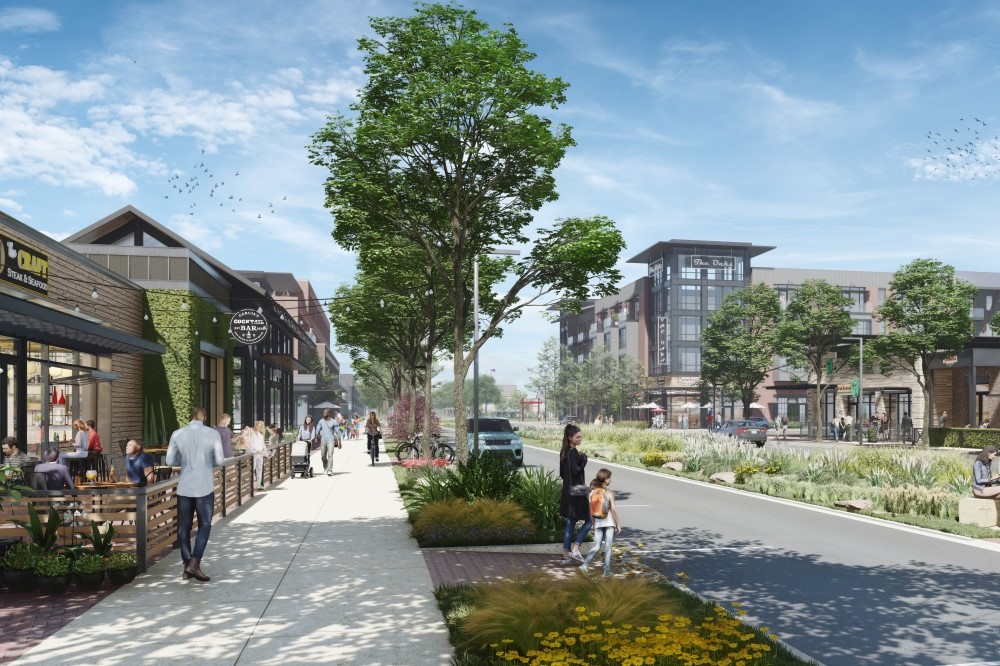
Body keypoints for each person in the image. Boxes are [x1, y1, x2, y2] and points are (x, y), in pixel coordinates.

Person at [166, 407, 224, 583]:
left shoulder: (177, 434)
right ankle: (195, 562)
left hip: (184, 486)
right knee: (205, 524)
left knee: (184, 525)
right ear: (204, 418)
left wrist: (184, 462)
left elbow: (169, 461)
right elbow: (220, 460)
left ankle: (186, 564)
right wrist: (207, 462)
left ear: (190, 417)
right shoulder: (213, 434)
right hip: (204, 486)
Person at [579, 468, 621, 577]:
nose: (611, 480)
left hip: (598, 523)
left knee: (596, 546)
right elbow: (613, 510)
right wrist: (618, 524)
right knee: (608, 547)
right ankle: (606, 571)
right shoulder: (609, 493)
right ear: (606, 479)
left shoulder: (592, 493)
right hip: (609, 523)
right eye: (610, 478)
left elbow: (591, 511)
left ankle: (585, 565)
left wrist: (593, 524)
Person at [559, 424, 591, 564]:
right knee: (589, 521)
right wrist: (584, 461)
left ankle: (566, 556)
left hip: (568, 492)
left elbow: (562, 474)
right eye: (577, 437)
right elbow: (576, 471)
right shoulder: (573, 452)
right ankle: (576, 548)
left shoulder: (564, 451)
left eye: (580, 436)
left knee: (570, 523)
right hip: (577, 494)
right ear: (570, 438)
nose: (580, 439)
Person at [244, 421, 271, 490]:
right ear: (255, 425)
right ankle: (249, 485)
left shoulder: (261, 435)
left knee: (259, 469)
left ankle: (259, 485)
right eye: (257, 425)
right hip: (252, 454)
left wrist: (266, 451)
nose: (258, 427)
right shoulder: (251, 432)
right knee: (251, 469)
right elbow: (244, 435)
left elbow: (263, 444)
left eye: (260, 426)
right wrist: (246, 429)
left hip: (260, 454)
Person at [316, 409, 339, 476]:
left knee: (330, 455)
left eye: (325, 413)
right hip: (323, 440)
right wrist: (317, 435)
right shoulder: (321, 421)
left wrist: (340, 442)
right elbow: (317, 429)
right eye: (323, 412)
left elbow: (338, 432)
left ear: (329, 413)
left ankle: (329, 470)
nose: (323, 414)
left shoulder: (333, 421)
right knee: (323, 456)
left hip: (331, 440)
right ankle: (325, 467)